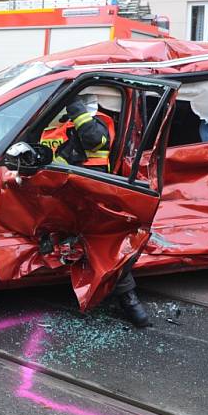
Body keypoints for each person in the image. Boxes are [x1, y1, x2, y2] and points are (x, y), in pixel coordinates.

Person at [40, 94, 151, 328]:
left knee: (104, 248)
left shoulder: (98, 122)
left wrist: (74, 107)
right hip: (66, 195)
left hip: (95, 196)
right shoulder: (60, 128)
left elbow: (93, 140)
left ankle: (130, 304)